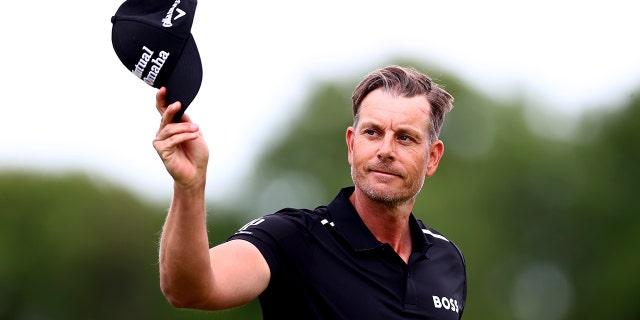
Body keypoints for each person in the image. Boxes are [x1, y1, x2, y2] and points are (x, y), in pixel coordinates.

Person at [152, 65, 467, 319]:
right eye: (372, 132)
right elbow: (187, 289)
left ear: (433, 157)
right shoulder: (293, 239)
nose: (385, 150)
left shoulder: (446, 259)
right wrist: (190, 186)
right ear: (351, 144)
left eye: (405, 138)